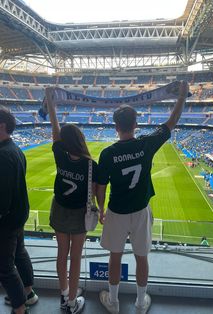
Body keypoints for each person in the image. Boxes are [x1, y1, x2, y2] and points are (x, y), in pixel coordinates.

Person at [97, 81, 189, 314]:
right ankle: (139, 303)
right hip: (140, 211)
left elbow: (100, 186)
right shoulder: (147, 144)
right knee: (142, 257)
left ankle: (114, 302)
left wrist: (100, 209)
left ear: (115, 126)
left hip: (116, 212)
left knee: (114, 258)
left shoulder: (108, 154)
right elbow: (171, 123)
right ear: (136, 124)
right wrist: (181, 97)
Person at [45, 88, 98, 314]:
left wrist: (51, 105)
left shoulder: (60, 154)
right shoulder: (91, 165)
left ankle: (64, 292)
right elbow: (94, 195)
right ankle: (72, 302)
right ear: (81, 140)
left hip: (59, 209)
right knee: (76, 257)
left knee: (61, 254)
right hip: (78, 214)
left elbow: (56, 132)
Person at [0, 109, 38, 314]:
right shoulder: (14, 149)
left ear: (2, 126)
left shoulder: (3, 155)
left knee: (4, 268)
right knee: (20, 254)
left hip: (7, 220)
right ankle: (28, 293)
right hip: (19, 214)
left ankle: (20, 308)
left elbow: (2, 198)